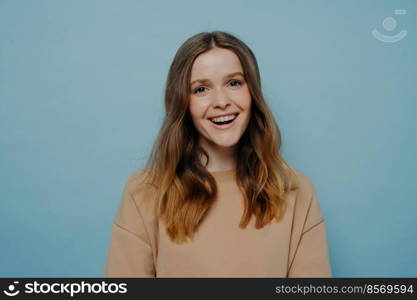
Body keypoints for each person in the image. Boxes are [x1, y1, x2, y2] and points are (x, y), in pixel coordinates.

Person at [103, 31, 332, 277]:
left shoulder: (296, 191)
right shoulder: (144, 192)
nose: (221, 101)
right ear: (183, 102)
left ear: (252, 92)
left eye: (234, 83)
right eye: (201, 89)